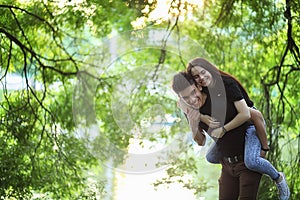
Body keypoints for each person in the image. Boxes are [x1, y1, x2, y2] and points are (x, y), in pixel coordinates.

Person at [185, 57, 290, 200]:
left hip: (250, 125)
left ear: (209, 69)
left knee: (252, 161)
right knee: (210, 157)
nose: (201, 78)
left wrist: (264, 148)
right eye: (196, 76)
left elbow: (250, 114)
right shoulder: (202, 92)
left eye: (203, 72)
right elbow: (182, 99)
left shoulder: (226, 84)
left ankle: (278, 178)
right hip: (230, 154)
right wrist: (199, 118)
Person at [172, 71, 262, 199]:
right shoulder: (190, 110)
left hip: (247, 160)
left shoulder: (218, 97)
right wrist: (193, 124)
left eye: (193, 92)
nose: (192, 99)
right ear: (181, 99)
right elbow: (201, 141)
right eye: (185, 98)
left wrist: (263, 148)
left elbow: (253, 115)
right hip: (227, 165)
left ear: (199, 86)